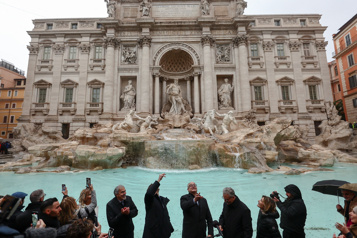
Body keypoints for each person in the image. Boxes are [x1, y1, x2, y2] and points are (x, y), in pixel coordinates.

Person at [143, 173, 174, 238]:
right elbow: (149, 193)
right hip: (152, 233)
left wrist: (169, 228)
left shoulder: (162, 200)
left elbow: (165, 215)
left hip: (163, 232)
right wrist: (158, 180)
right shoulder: (149, 201)